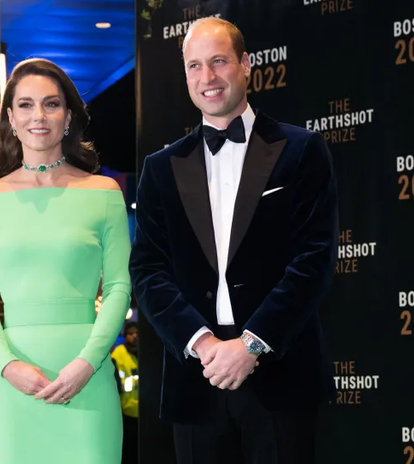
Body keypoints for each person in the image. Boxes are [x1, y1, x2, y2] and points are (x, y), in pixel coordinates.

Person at [129, 17, 338, 464]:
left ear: (245, 64)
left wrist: (251, 344)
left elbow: (314, 258)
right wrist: (204, 345)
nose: (207, 77)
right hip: (196, 379)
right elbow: (148, 270)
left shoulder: (302, 149)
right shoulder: (161, 168)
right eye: (194, 66)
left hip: (280, 375)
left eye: (219, 62)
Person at [0, 58, 132, 463]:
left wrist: (87, 363)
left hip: (88, 379)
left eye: (51, 104)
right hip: (16, 385)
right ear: (10, 117)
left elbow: (119, 288)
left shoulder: (104, 192)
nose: (38, 116)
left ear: (68, 116)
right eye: (25, 105)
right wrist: (7, 366)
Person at [111, 321, 139, 464]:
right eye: (131, 333)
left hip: (145, 411)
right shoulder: (118, 355)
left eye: (137, 333)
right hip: (125, 411)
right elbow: (117, 384)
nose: (134, 336)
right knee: (128, 452)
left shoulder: (143, 352)